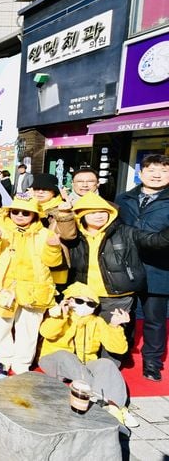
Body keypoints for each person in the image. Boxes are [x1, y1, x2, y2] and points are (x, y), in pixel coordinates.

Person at [56, 192, 169, 366]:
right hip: (85, 297)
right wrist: (64, 213)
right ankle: (83, 368)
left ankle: (108, 369)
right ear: (82, 215)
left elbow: (155, 241)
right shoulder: (76, 236)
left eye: (103, 211)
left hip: (116, 297)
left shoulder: (125, 232)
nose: (99, 215)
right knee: (84, 334)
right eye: (93, 212)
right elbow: (64, 231)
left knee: (113, 335)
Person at [39, 283, 138, 428]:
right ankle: (98, 397)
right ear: (69, 300)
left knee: (106, 364)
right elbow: (46, 333)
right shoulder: (59, 314)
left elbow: (119, 349)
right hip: (55, 361)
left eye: (90, 303)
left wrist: (115, 326)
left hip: (84, 367)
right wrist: (61, 316)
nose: (85, 306)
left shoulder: (97, 321)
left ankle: (115, 407)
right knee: (66, 356)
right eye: (79, 301)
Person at [0, 197, 62, 374]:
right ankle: (4, 358)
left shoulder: (46, 234)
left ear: (34, 215)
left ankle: (22, 363)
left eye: (25, 212)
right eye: (15, 211)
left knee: (28, 328)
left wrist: (53, 248)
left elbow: (53, 262)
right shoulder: (0, 229)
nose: (19, 215)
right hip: (4, 287)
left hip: (34, 289)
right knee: (2, 325)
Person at [115, 154, 169, 381]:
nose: (157, 175)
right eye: (151, 170)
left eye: (164, 171)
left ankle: (152, 363)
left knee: (154, 319)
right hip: (126, 267)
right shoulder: (124, 198)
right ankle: (122, 353)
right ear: (141, 173)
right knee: (123, 314)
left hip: (159, 269)